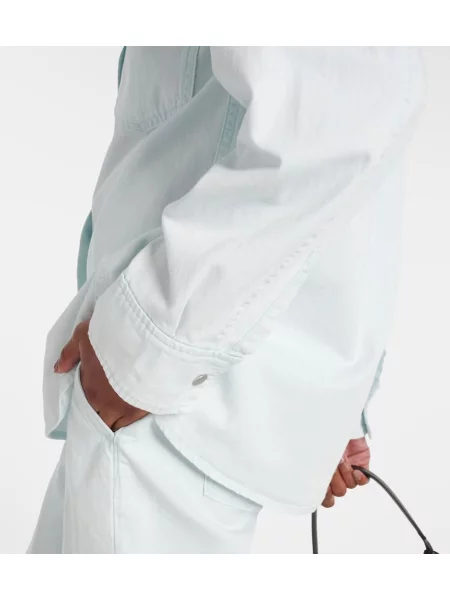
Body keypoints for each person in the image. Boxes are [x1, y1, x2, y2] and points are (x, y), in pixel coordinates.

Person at [28, 47, 425, 554]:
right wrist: (326, 405)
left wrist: (147, 347)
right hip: (162, 386)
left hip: (165, 400)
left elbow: (346, 113)